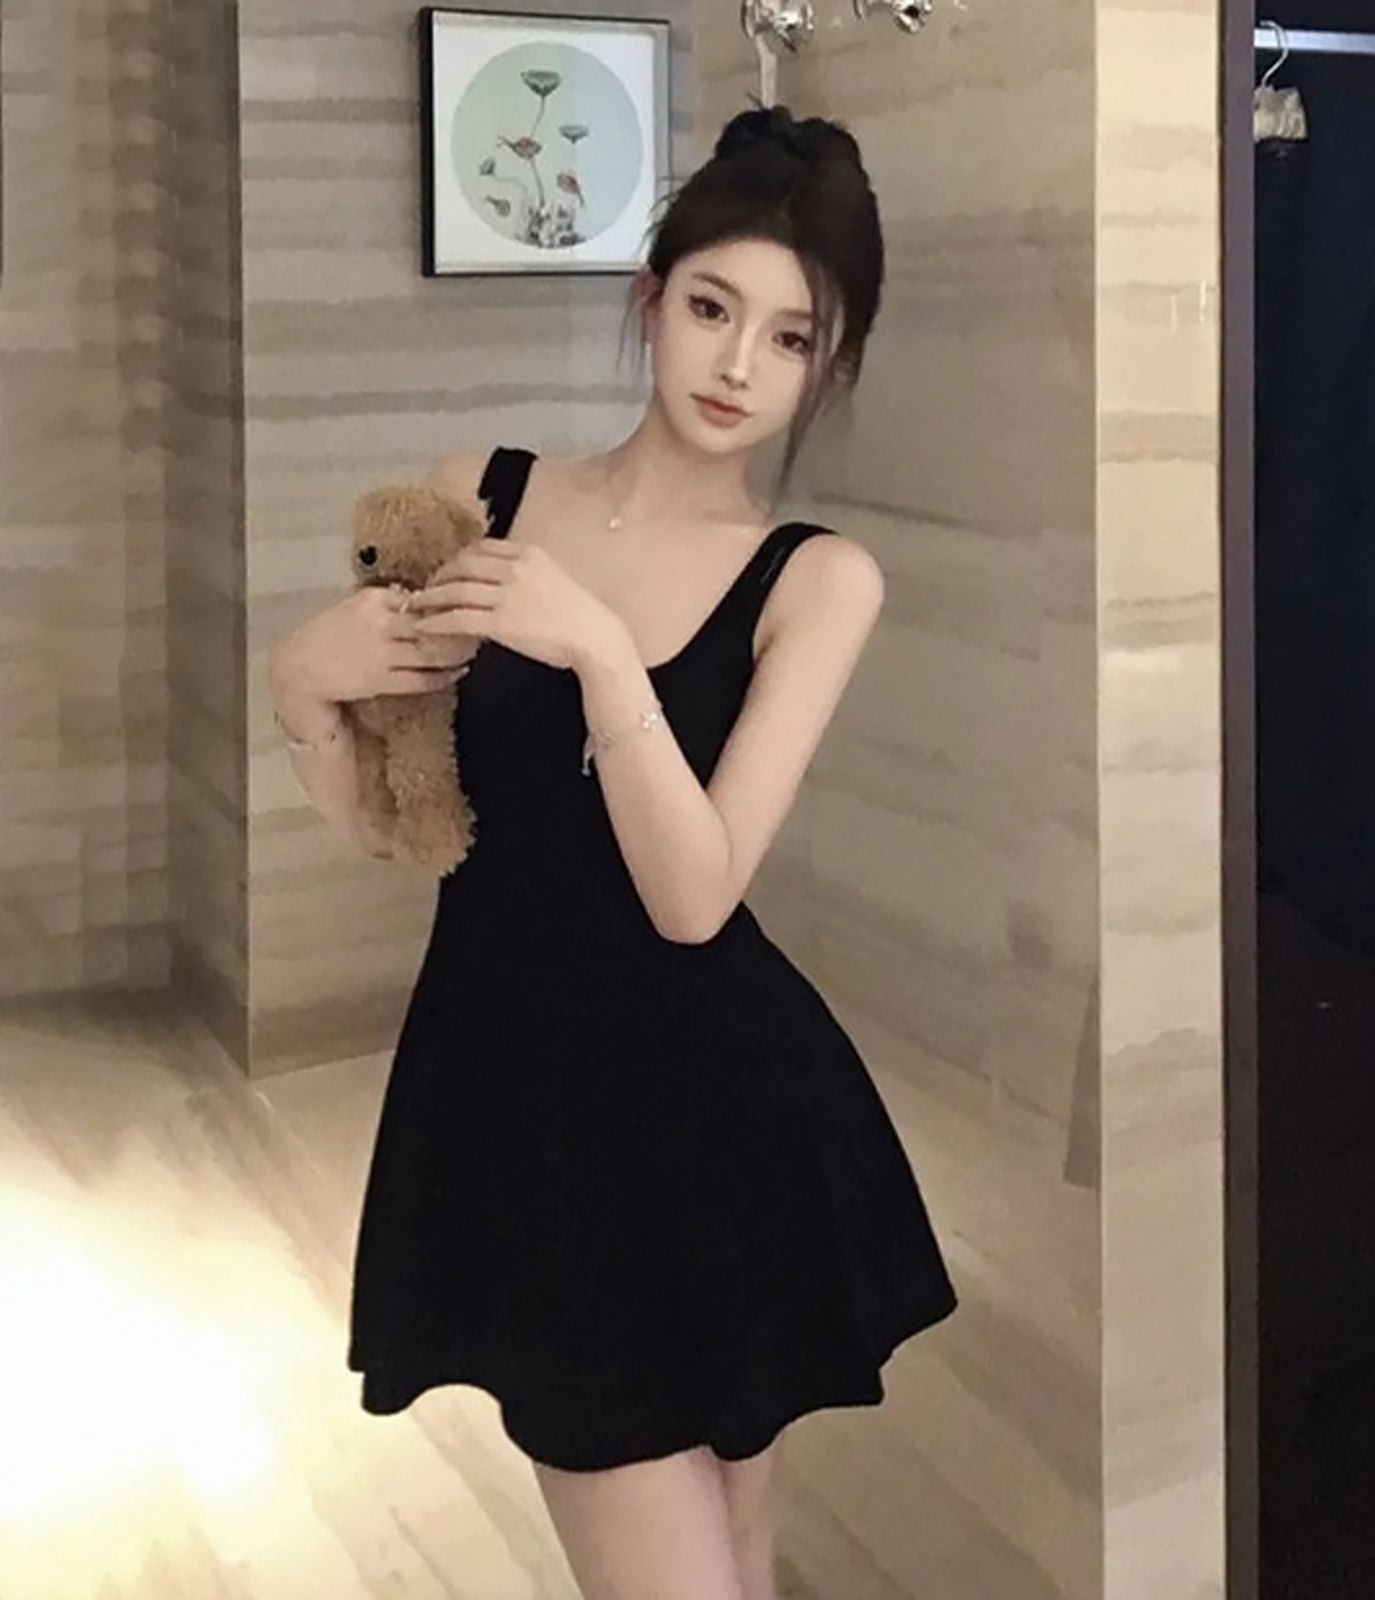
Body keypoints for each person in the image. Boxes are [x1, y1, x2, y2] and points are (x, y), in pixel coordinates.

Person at [266, 105, 958, 1600]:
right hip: (523, 1105)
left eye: (790, 338)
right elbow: (412, 825)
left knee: (733, 1558)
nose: (737, 365)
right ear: (651, 300)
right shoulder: (486, 493)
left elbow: (696, 897)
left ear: (830, 366)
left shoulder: (818, 580)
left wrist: (598, 654)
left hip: (726, 1115)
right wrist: (304, 693)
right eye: (712, 308)